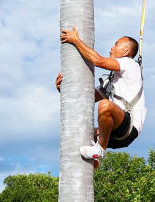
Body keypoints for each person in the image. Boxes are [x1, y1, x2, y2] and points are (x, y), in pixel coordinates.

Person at [56, 27, 146, 167]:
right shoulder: (111, 80)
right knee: (79, 132)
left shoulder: (129, 64)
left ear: (126, 52)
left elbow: (97, 60)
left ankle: (100, 150)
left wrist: (76, 40)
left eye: (116, 44)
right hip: (115, 132)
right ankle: (92, 164)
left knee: (105, 105)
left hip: (128, 128)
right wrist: (63, 90)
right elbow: (86, 99)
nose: (111, 47)